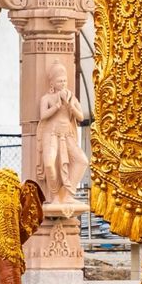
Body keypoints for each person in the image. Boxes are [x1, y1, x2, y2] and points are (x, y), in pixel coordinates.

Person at [36, 61, 88, 204]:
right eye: (60, 81)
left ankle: (67, 194)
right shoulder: (46, 98)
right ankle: (54, 196)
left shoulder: (71, 97)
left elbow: (81, 117)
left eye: (64, 80)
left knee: (82, 161)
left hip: (67, 134)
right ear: (52, 83)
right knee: (49, 163)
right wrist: (56, 106)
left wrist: (71, 106)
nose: (63, 83)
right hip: (51, 134)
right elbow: (43, 115)